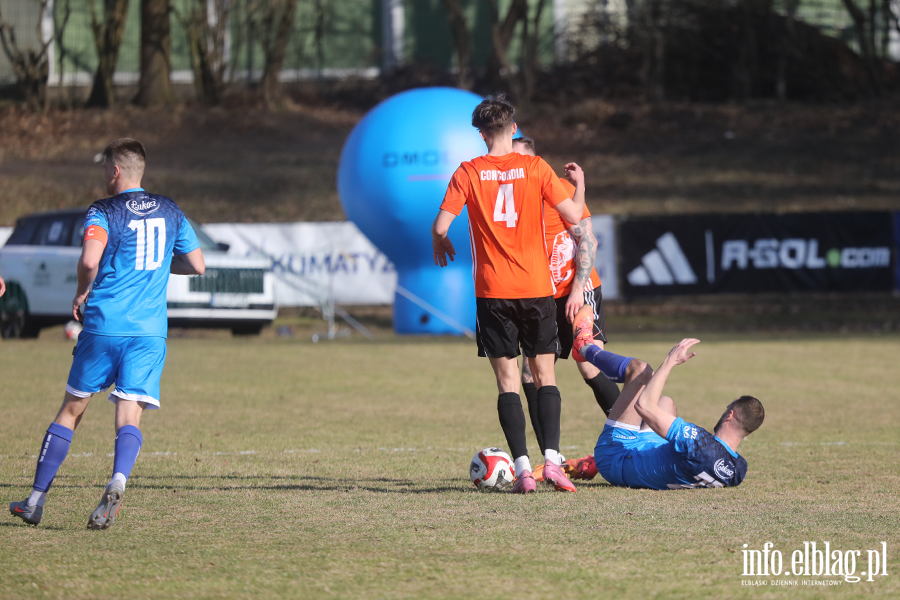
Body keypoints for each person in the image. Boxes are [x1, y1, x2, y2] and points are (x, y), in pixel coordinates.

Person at [9, 138, 205, 528]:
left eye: (105, 169)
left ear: (115, 171)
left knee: (72, 408)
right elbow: (197, 265)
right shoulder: (171, 210)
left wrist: (82, 290)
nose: (103, 175)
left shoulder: (103, 210)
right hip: (149, 332)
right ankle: (118, 481)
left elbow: (88, 259)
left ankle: (34, 500)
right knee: (129, 411)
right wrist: (161, 267)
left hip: (104, 326)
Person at [432, 95, 586, 493]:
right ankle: (551, 463)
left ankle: (521, 471)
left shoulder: (468, 172)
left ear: (480, 133)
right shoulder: (535, 167)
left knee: (507, 382)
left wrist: (439, 243)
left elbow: (440, 225)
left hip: (492, 292)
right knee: (545, 374)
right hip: (536, 288)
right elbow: (572, 216)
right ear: (513, 129)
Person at [510, 137, 620, 480]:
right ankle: (548, 461)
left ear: (535, 161)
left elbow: (588, 240)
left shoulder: (555, 189)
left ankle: (631, 437)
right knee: (531, 373)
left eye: (520, 161)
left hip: (578, 291)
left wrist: (575, 292)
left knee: (587, 364)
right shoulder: (510, 199)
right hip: (541, 298)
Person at [565, 304, 764, 489]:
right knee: (666, 403)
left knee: (641, 371)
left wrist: (670, 361)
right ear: (749, 432)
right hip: (654, 457)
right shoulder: (738, 470)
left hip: (616, 459)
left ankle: (583, 347)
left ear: (729, 415)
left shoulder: (700, 443)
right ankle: (591, 460)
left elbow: (644, 406)